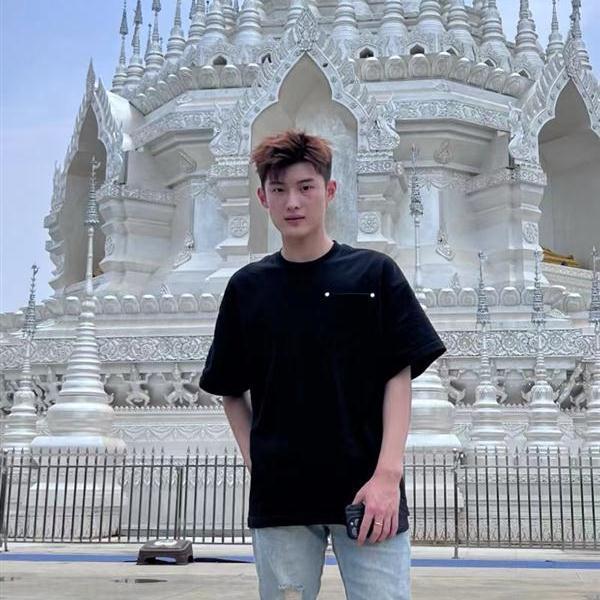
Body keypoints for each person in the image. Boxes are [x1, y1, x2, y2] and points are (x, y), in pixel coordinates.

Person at [200, 130, 446, 599]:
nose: (292, 202)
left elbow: (398, 375)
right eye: (279, 189)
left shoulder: (374, 274)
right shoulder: (247, 289)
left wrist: (388, 475)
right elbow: (229, 387)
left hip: (368, 493)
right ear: (263, 198)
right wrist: (258, 462)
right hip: (282, 499)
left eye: (305, 187)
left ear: (329, 191)